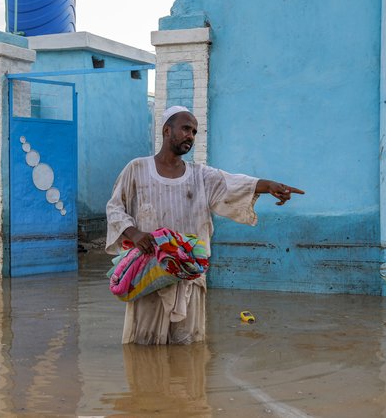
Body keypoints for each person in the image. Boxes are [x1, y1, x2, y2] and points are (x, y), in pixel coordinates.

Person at [106, 106, 304, 345]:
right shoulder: (137, 168)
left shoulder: (201, 175)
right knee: (143, 346)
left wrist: (270, 185)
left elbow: (234, 183)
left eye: (195, 132)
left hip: (189, 276)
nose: (191, 136)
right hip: (149, 275)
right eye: (186, 129)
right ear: (167, 130)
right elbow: (115, 207)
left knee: (187, 349)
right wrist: (135, 233)